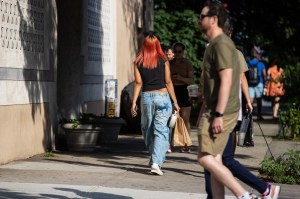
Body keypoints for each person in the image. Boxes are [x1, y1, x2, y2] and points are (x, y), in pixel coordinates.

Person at [203, 18, 281, 199]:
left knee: (217, 159)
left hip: (221, 113)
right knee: (218, 159)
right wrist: (247, 101)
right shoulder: (235, 52)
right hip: (231, 112)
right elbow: (241, 79)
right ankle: (261, 189)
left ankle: (262, 189)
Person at [197, 1, 255, 198]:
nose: (199, 20)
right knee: (217, 160)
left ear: (214, 20)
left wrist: (219, 114)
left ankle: (243, 194)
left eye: (202, 16)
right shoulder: (216, 44)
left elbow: (228, 80)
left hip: (220, 111)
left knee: (205, 159)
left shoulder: (221, 44)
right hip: (216, 108)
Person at [131, 32, 180, 176]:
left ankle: (155, 160)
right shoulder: (163, 60)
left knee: (148, 130)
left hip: (146, 98)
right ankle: (156, 162)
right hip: (163, 97)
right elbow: (168, 81)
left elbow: (138, 83)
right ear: (158, 45)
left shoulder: (138, 61)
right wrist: (175, 101)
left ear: (144, 46)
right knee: (161, 130)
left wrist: (134, 102)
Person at [170, 42, 195, 153]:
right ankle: (170, 144)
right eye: (175, 51)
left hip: (183, 91)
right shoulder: (169, 64)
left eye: (180, 51)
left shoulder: (187, 64)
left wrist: (180, 78)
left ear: (183, 52)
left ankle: (185, 144)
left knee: (185, 119)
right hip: (172, 91)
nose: (177, 54)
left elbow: (191, 80)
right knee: (171, 119)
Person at [247, 45, 267, 120]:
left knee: (250, 100)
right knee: (259, 100)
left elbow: (245, 72)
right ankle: (259, 115)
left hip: (250, 83)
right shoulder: (261, 63)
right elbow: (264, 74)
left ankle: (249, 115)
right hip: (259, 83)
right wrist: (265, 83)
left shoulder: (248, 62)